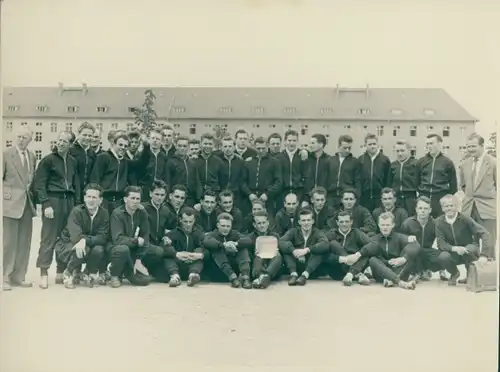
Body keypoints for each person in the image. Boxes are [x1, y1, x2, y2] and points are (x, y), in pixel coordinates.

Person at [33, 131, 81, 289]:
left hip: (69, 201)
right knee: (49, 237)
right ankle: (44, 273)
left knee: (65, 237)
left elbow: (76, 184)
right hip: (53, 200)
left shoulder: (73, 161)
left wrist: (78, 204)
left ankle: (60, 271)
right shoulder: (48, 160)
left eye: (64, 141)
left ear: (70, 144)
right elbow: (39, 183)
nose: (60, 143)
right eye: (59, 140)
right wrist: (46, 204)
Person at [344, 212, 420, 290]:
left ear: (393, 225)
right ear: (379, 225)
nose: (385, 228)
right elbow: (365, 252)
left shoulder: (399, 237)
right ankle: (400, 283)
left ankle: (392, 280)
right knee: (372, 259)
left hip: (397, 268)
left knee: (410, 254)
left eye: (387, 225)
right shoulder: (374, 239)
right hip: (381, 272)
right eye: (383, 225)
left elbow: (416, 245)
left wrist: (403, 259)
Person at [54, 183, 109, 289]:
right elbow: (75, 237)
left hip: (88, 244)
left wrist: (85, 240)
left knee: (99, 249)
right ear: (84, 198)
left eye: (94, 197)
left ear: (100, 200)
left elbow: (103, 237)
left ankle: (88, 273)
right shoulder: (77, 211)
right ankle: (68, 272)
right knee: (84, 248)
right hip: (68, 243)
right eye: (88, 197)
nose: (91, 200)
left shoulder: (104, 213)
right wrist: (84, 241)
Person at [108, 186, 163, 288]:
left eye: (138, 199)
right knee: (123, 249)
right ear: (125, 199)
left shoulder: (142, 212)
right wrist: (135, 241)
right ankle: (115, 275)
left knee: (158, 251)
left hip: (134, 249)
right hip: (117, 248)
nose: (135, 201)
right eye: (132, 198)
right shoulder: (117, 214)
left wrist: (139, 259)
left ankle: (136, 267)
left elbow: (145, 236)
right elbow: (117, 239)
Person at [2, 126, 37, 290]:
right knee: (9, 242)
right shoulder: (6, 154)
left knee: (24, 242)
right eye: (19, 136)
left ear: (30, 140)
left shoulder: (31, 156)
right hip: (10, 204)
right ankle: (5, 277)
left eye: (25, 137)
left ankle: (19, 276)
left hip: (27, 204)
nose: (21, 139)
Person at [435, 194, 493, 285]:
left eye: (452, 205)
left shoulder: (465, 219)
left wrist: (484, 255)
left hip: (468, 249)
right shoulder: (439, 222)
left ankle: (470, 275)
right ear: (442, 208)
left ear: (457, 207)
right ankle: (454, 273)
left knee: (469, 250)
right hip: (453, 252)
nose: (449, 208)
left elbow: (485, 233)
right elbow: (441, 244)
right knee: (443, 256)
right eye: (446, 206)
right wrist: (456, 248)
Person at [90, 132, 150, 215]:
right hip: (104, 201)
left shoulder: (125, 162)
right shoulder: (103, 157)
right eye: (120, 145)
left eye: (125, 146)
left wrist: (146, 146)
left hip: (119, 201)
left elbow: (141, 164)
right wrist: (95, 198)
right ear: (113, 144)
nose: (123, 148)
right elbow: (95, 179)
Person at [460, 133, 497, 252]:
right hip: (469, 208)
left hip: (487, 208)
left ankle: (489, 264)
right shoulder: (465, 164)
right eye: (468, 146)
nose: (470, 149)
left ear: (482, 146)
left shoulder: (493, 163)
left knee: (489, 241)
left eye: (473, 146)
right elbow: (463, 185)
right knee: (471, 242)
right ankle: (473, 268)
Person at [279, 208, 330, 286]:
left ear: (312, 221)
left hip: (311, 268)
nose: (306, 223)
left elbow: (325, 244)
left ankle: (304, 275)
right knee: (287, 250)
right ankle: (293, 275)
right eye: (303, 220)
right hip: (296, 265)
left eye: (308, 220)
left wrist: (307, 250)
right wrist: (293, 251)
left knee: (319, 250)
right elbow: (281, 241)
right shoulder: (294, 231)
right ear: (299, 222)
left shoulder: (317, 232)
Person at [203, 213, 252, 289]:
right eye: (223, 226)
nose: (225, 228)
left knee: (243, 249)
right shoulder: (212, 234)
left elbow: (248, 240)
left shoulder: (234, 234)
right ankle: (232, 278)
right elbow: (206, 241)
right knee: (216, 250)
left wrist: (236, 244)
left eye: (228, 226)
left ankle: (245, 277)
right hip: (219, 270)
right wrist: (224, 245)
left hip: (235, 265)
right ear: (217, 225)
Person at [400, 196, 443, 281]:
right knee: (411, 254)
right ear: (416, 209)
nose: (422, 211)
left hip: (427, 251)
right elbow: (400, 241)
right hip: (413, 252)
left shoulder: (435, 223)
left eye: (425, 208)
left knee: (443, 257)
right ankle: (417, 272)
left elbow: (441, 241)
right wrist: (407, 238)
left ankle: (425, 270)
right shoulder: (408, 223)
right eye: (420, 208)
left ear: (430, 210)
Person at [162, 207, 207, 287]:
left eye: (191, 221)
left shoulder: (199, 234)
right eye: (185, 222)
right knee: (168, 257)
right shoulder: (173, 233)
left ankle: (193, 276)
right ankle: (175, 277)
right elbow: (163, 248)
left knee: (200, 253)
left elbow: (207, 249)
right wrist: (176, 254)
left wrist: (197, 255)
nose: (188, 224)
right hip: (177, 265)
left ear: (194, 221)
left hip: (192, 264)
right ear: (180, 220)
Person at [324, 211, 372, 286]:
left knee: (365, 252)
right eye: (341, 222)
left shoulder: (356, 233)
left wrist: (357, 255)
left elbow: (372, 245)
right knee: (334, 244)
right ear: (337, 222)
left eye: (347, 221)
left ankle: (350, 274)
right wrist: (343, 259)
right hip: (338, 269)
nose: (344, 224)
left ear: (351, 222)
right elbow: (321, 252)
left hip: (355, 264)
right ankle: (357, 274)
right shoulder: (331, 234)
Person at [416, 134, 457, 217]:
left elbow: (453, 185)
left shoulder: (447, 162)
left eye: (431, 143)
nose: (429, 146)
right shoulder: (421, 161)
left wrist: (444, 198)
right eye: (427, 144)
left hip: (440, 200)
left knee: (439, 224)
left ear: (440, 144)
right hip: (424, 198)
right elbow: (416, 182)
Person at [239, 211, 283, 289]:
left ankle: (265, 276)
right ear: (254, 225)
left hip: (272, 268)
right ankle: (261, 277)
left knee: (278, 254)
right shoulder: (250, 237)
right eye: (259, 223)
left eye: (263, 222)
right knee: (258, 255)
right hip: (256, 268)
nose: (262, 225)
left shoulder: (275, 236)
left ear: (268, 223)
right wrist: (255, 253)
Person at [241, 136, 283, 215]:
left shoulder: (275, 162)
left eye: (263, 148)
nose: (261, 151)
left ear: (267, 146)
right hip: (251, 199)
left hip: (267, 199)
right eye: (258, 148)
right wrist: (249, 194)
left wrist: (267, 194)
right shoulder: (249, 162)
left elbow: (278, 182)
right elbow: (242, 181)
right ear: (254, 147)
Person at [165, 136, 201, 207]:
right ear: (176, 146)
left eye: (184, 146)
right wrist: (168, 198)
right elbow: (167, 181)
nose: (182, 148)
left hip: (190, 199)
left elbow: (197, 182)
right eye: (180, 146)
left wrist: (198, 198)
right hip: (177, 198)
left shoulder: (192, 163)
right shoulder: (171, 162)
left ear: (188, 147)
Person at [275, 130, 307, 210]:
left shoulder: (303, 156)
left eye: (294, 140)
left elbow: (307, 178)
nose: (291, 143)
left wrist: (305, 198)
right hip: (282, 193)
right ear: (285, 141)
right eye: (289, 140)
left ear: (297, 141)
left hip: (298, 192)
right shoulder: (278, 157)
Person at [358, 134, 391, 212]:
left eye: (374, 144)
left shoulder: (385, 159)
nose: (372, 146)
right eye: (369, 144)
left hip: (379, 198)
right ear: (365, 145)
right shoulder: (360, 160)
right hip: (365, 198)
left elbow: (388, 179)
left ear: (377, 144)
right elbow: (358, 179)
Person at [327, 134, 361, 209]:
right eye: (345, 148)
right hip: (331, 197)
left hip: (347, 198)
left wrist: (357, 198)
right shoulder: (330, 160)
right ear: (338, 146)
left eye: (349, 148)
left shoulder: (355, 162)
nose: (347, 150)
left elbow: (358, 182)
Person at [135, 128, 168, 200]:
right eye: (153, 138)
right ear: (149, 139)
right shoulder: (141, 155)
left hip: (159, 191)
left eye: (157, 139)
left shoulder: (164, 157)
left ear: (162, 142)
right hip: (144, 189)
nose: (155, 140)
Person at [387, 140, 418, 215]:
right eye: (397, 151)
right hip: (397, 200)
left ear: (408, 150)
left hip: (410, 199)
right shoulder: (393, 165)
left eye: (402, 150)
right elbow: (389, 183)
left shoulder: (415, 164)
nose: (400, 153)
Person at [70, 122, 97, 202]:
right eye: (84, 135)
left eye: (90, 136)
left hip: (87, 193)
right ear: (78, 135)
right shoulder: (71, 150)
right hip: (72, 192)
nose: (87, 138)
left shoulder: (92, 153)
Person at [218, 136, 246, 210]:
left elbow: (243, 178)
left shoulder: (240, 161)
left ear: (234, 147)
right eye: (225, 146)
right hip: (221, 194)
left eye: (230, 146)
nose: (227, 149)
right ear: (222, 148)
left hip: (237, 195)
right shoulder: (218, 161)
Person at [303, 134, 331, 206]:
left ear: (321, 144)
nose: (310, 145)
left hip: (323, 198)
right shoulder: (307, 159)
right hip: (308, 197)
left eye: (313, 143)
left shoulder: (329, 160)